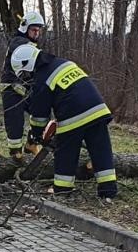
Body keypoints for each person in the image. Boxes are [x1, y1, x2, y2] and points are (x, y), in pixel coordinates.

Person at [9, 38, 117, 200]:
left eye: (25, 73)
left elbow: (40, 114)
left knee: (66, 152)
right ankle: (108, 190)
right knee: (100, 149)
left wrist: (36, 134)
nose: (27, 77)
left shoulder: (41, 78)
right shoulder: (63, 63)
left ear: (28, 64)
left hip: (74, 115)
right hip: (98, 109)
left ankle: (62, 189)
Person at [3, 11, 45, 160]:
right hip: (11, 87)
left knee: (40, 110)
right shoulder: (19, 42)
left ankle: (32, 142)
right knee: (15, 120)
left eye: (38, 30)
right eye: (33, 30)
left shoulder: (30, 44)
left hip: (25, 86)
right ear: (25, 28)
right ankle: (16, 154)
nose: (36, 33)